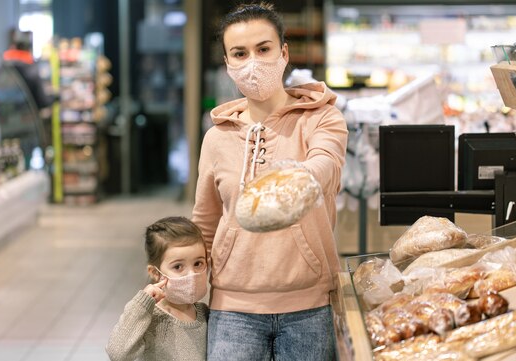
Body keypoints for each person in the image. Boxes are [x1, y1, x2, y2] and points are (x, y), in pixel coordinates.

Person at [191, 2, 348, 360]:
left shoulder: (322, 118)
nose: (253, 63)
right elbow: (205, 220)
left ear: (284, 52)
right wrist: (183, 275)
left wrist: (300, 176)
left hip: (310, 305)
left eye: (263, 49)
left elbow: (326, 164)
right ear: (228, 63)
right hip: (233, 308)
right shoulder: (215, 138)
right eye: (239, 53)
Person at [106, 216, 210, 361]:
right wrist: (141, 305)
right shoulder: (151, 319)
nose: (191, 274)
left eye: (198, 263)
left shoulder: (205, 314)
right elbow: (117, 353)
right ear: (155, 273)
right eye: (178, 266)